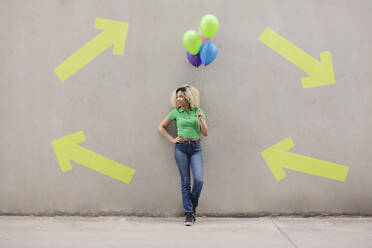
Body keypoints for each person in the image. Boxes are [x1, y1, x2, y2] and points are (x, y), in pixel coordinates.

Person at [158, 84, 209, 226]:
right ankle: (189, 214)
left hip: (195, 148)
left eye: (181, 96)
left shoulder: (198, 111)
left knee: (199, 180)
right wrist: (173, 139)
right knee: (186, 182)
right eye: (177, 96)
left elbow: (205, 133)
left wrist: (200, 119)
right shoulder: (176, 112)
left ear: (188, 98)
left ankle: (192, 206)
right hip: (181, 148)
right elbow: (161, 127)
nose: (178, 99)